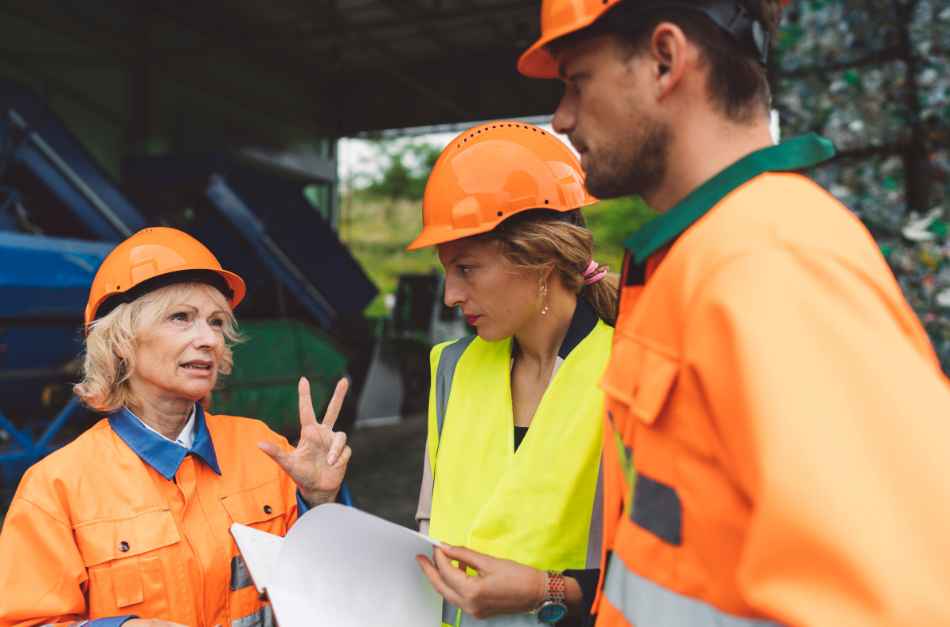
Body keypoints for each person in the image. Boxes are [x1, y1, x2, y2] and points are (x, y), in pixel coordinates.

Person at [517, 0, 950, 625]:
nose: (561, 118)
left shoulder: (767, 262)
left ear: (666, 60)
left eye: (577, 82)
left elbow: (900, 603)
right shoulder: (707, 256)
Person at [0, 227, 352, 627]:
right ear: (121, 341)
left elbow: (330, 592)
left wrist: (321, 502)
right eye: (181, 317)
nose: (208, 339)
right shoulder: (57, 487)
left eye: (217, 322)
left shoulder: (264, 448)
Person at [409, 121, 616, 626]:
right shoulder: (452, 367)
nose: (451, 297)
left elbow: (672, 573)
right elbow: (427, 532)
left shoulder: (631, 370)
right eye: (446, 272)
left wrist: (547, 590)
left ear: (539, 259)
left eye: (466, 268)